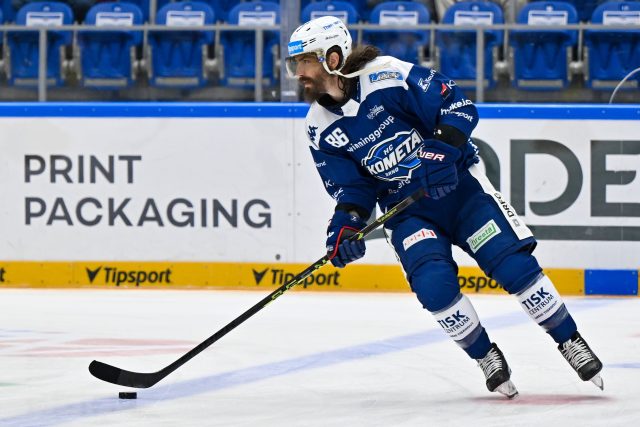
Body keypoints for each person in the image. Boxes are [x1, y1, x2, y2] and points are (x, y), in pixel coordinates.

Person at [285, 15, 603, 398]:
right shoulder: (318, 127)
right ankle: (485, 355)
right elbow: (352, 189)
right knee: (433, 286)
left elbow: (459, 107)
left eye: (305, 61)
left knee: (513, 264)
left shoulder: (387, 76)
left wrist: (441, 149)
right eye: (295, 64)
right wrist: (346, 225)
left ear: (332, 58)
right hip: (408, 212)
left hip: (461, 193)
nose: (298, 73)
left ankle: (569, 339)